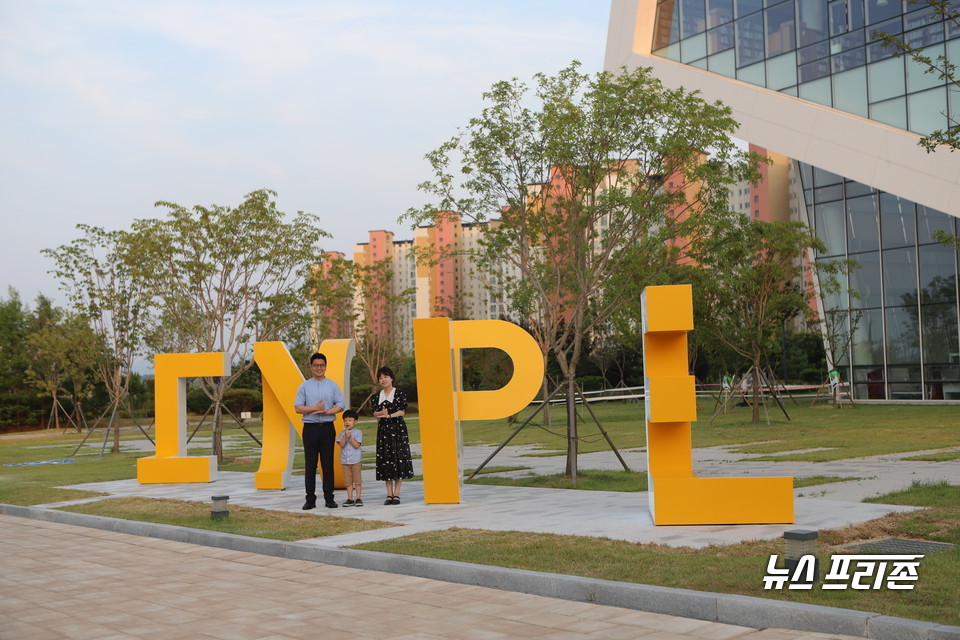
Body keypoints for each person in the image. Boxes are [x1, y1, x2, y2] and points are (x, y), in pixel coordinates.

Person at [294, 352, 344, 510]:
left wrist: (327, 412)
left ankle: (330, 498)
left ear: (325, 366)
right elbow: (297, 408)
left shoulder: (332, 385)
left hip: (328, 428)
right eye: (316, 365)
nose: (319, 368)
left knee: (328, 465)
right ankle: (310, 499)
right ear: (311, 367)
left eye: (322, 365)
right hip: (310, 429)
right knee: (310, 465)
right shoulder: (304, 386)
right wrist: (314, 408)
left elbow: (341, 405)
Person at [372, 365, 414, 505]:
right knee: (386, 459)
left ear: (391, 378)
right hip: (383, 431)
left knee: (398, 459)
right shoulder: (377, 396)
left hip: (397, 430)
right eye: (381, 378)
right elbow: (375, 413)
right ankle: (388, 494)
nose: (383, 380)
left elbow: (402, 411)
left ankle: (397, 494)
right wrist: (381, 414)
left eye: (386, 377)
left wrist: (389, 415)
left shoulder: (399, 393)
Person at [336, 409, 363, 507]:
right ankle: (350, 498)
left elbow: (356, 445)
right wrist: (345, 436)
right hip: (345, 461)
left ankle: (359, 498)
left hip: (356, 461)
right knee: (348, 481)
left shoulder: (358, 433)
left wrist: (350, 438)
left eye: (350, 420)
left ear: (355, 422)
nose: (347, 422)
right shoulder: (342, 433)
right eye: (345, 420)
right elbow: (341, 445)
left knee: (357, 480)